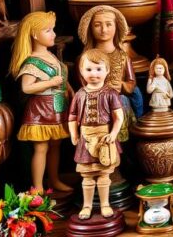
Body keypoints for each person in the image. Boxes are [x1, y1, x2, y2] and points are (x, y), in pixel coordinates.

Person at [10, 11, 72, 194]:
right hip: (41, 109)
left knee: (56, 145)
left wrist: (70, 90)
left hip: (58, 105)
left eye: (52, 29)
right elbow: (27, 88)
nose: (53, 34)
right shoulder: (32, 62)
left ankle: (54, 179)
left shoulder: (51, 56)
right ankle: (37, 186)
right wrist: (50, 83)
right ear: (35, 35)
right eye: (48, 30)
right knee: (41, 147)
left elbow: (62, 78)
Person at [68, 48, 124, 220]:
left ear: (107, 70)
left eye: (98, 69)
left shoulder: (110, 93)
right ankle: (87, 206)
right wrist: (73, 134)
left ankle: (105, 204)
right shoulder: (79, 94)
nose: (94, 73)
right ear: (81, 71)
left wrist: (114, 134)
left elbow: (119, 117)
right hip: (85, 138)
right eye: (89, 69)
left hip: (104, 138)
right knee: (87, 177)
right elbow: (72, 117)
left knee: (104, 175)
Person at [78, 4, 141, 129]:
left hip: (119, 101)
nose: (104, 30)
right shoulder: (85, 58)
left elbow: (131, 82)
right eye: (97, 25)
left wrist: (122, 85)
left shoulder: (123, 56)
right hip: (96, 103)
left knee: (123, 101)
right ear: (90, 28)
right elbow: (83, 84)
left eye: (108, 24)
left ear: (116, 27)